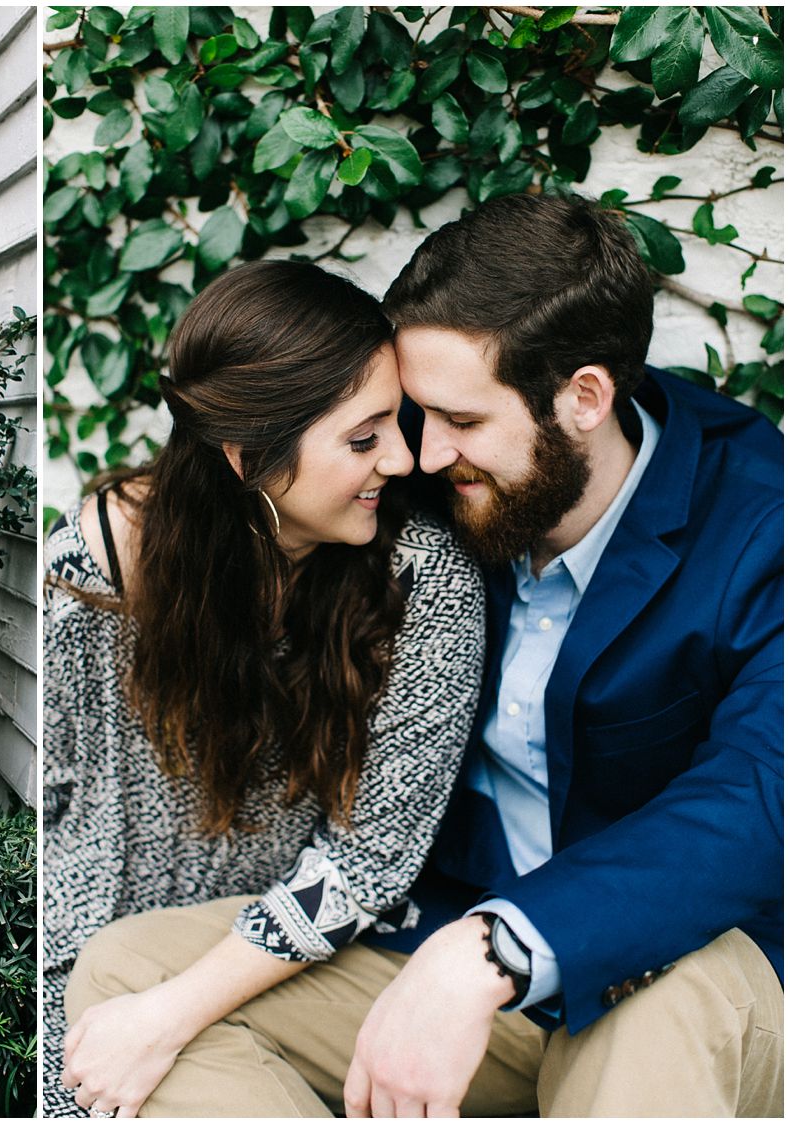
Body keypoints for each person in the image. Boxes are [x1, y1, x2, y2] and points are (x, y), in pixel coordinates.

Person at [68, 192, 783, 1117]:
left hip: (675, 964)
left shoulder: (763, 524)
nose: (421, 455)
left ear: (584, 399)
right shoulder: (437, 486)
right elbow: (273, 499)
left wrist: (501, 946)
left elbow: (761, 797)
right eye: (411, 414)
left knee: (664, 1012)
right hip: (437, 945)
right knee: (131, 978)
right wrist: (145, 521)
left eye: (461, 421)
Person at [45, 260, 488, 1117]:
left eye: (392, 425)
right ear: (248, 458)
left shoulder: (422, 582)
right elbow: (59, 801)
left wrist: (168, 1013)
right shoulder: (100, 562)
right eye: (363, 440)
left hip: (300, 960)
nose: (402, 458)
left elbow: (371, 863)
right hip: (92, 949)